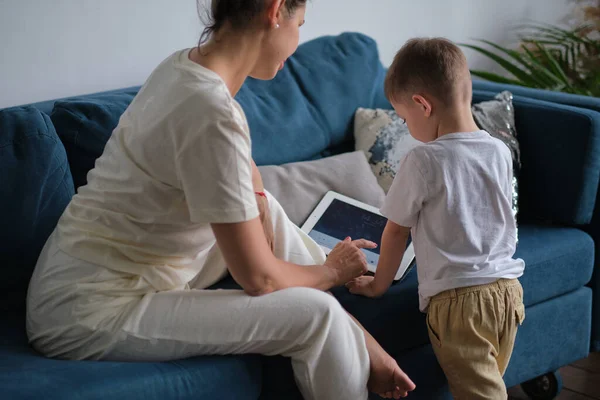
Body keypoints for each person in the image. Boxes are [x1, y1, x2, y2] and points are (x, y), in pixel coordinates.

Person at [26, 1, 416, 399]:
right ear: (276, 11)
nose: (297, 41)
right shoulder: (212, 113)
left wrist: (265, 210)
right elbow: (259, 279)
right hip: (87, 310)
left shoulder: (183, 68)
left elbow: (247, 178)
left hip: (113, 266)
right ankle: (351, 329)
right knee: (318, 316)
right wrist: (331, 273)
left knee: (267, 209)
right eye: (299, 24)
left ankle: (363, 343)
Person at [347, 38, 526, 400]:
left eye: (403, 117)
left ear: (422, 105)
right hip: (508, 294)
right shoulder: (498, 150)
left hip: (459, 306)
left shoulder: (424, 160)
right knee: (486, 386)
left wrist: (379, 284)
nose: (405, 124)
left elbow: (396, 232)